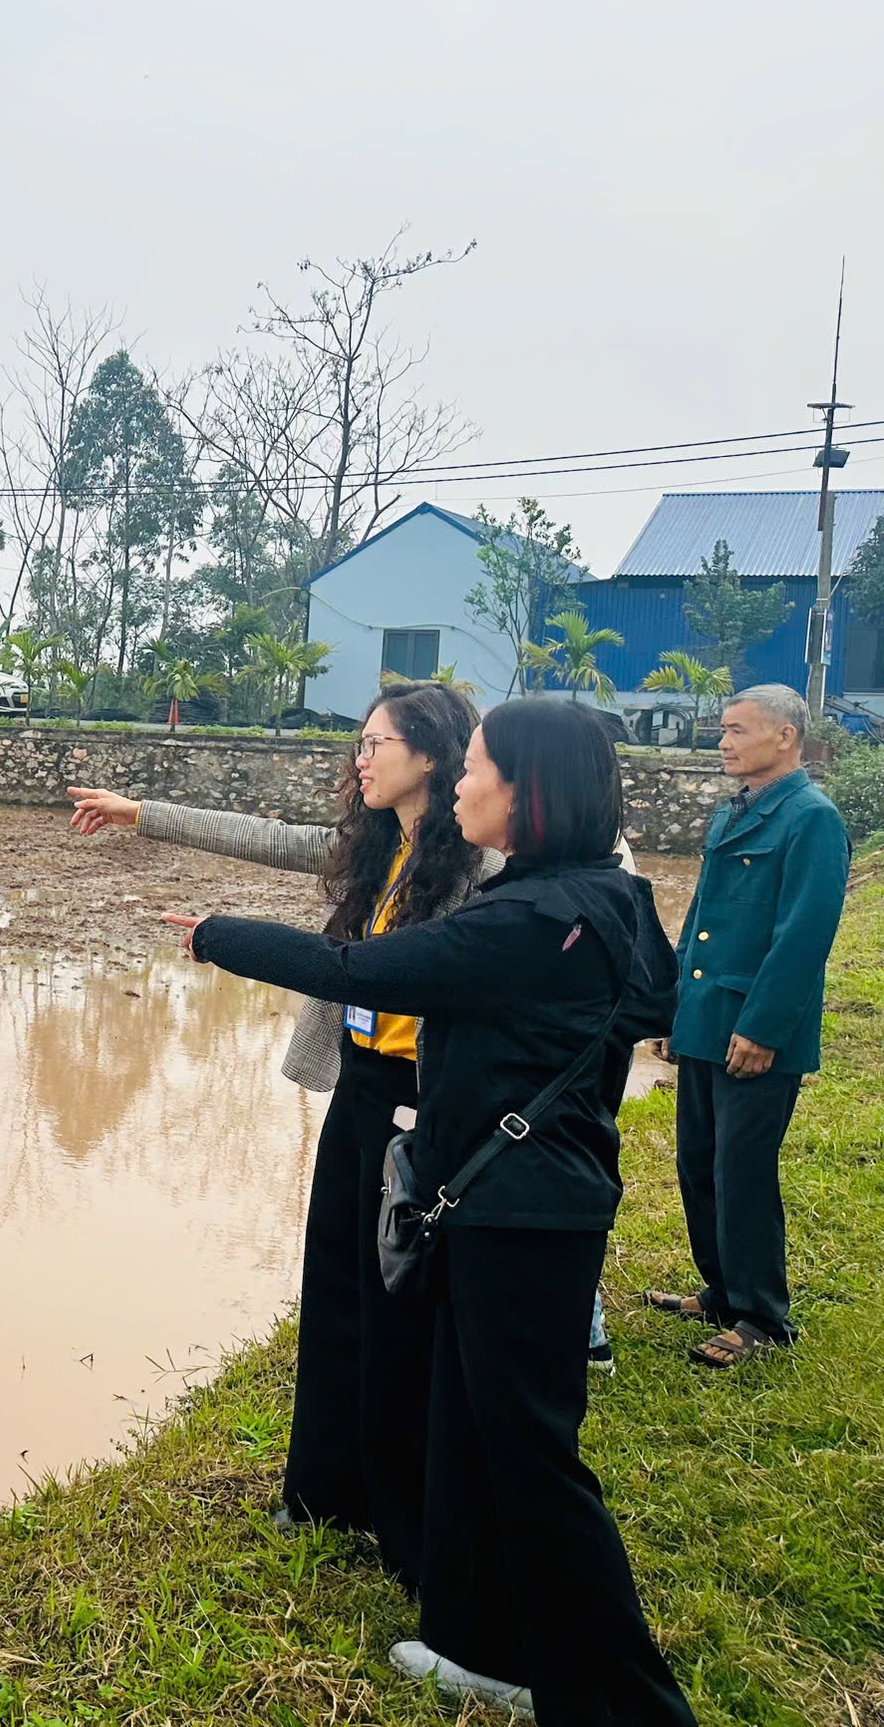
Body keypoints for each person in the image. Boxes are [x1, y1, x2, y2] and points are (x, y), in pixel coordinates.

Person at [170, 698, 692, 1725]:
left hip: (522, 1215)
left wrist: (214, 933)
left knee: (533, 1461)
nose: (459, 785)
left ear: (526, 792)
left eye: (476, 769)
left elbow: (351, 969)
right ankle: (482, 1642)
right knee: (470, 1426)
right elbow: (651, 1003)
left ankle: (624, 1702)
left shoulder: (531, 916)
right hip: (509, 1198)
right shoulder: (596, 896)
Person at [66, 680, 487, 1590]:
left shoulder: (482, 870)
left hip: (432, 1108)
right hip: (363, 1094)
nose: (361, 758)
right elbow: (266, 840)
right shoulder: (377, 850)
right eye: (360, 744)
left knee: (399, 1303)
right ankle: (322, 1491)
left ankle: (400, 1512)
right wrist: (141, 812)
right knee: (334, 1283)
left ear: (432, 756)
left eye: (377, 743)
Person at [643, 684, 849, 1368]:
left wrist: (762, 1029)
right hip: (706, 1018)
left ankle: (762, 1316)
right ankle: (723, 1290)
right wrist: (673, 1009)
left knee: (744, 1173)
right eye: (721, 730)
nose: (723, 741)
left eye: (737, 730)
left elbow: (803, 936)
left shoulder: (810, 819)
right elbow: (700, 922)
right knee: (698, 1163)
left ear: (785, 737)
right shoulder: (733, 813)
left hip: (755, 1029)